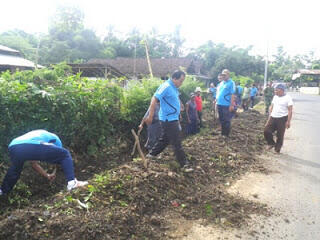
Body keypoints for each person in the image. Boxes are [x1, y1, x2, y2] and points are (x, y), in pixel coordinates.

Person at [0, 130, 88, 195]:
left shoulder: (39, 136)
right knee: (65, 154)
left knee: (15, 169)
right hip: (29, 144)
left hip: (14, 146)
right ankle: (72, 183)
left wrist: (47, 175)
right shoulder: (55, 139)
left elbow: (34, 164)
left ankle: (3, 191)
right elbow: (59, 154)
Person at [145, 70, 192, 172]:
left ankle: (151, 154)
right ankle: (184, 164)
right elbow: (154, 99)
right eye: (180, 81)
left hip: (172, 118)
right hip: (168, 119)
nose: (181, 83)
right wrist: (150, 116)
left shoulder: (174, 87)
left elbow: (174, 98)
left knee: (165, 139)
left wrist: (180, 105)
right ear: (174, 78)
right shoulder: (166, 86)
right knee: (176, 142)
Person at [264, 84, 293, 153]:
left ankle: (277, 149)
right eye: (275, 90)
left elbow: (290, 110)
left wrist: (288, 121)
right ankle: (271, 143)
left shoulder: (288, 98)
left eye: (277, 90)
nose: (275, 91)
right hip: (273, 117)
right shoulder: (275, 97)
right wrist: (269, 117)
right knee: (266, 130)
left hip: (282, 118)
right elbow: (272, 106)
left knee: (280, 135)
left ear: (281, 90)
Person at [216, 69, 236, 137]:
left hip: (226, 105)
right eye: (223, 75)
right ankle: (222, 133)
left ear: (228, 75)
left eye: (225, 75)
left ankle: (226, 134)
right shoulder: (221, 83)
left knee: (226, 120)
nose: (223, 76)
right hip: (219, 104)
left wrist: (231, 105)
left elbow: (232, 94)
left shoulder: (231, 83)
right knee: (221, 119)